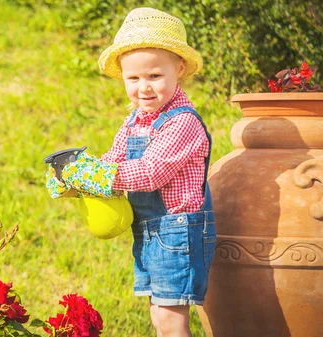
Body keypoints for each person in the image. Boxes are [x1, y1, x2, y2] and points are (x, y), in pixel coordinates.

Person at [46, 7, 216, 337]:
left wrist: (98, 176)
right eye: (133, 78)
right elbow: (113, 158)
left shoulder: (183, 122)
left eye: (154, 76)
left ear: (179, 69)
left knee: (170, 318)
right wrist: (75, 176)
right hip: (150, 231)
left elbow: (151, 172)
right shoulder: (135, 119)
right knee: (159, 314)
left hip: (177, 232)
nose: (144, 88)